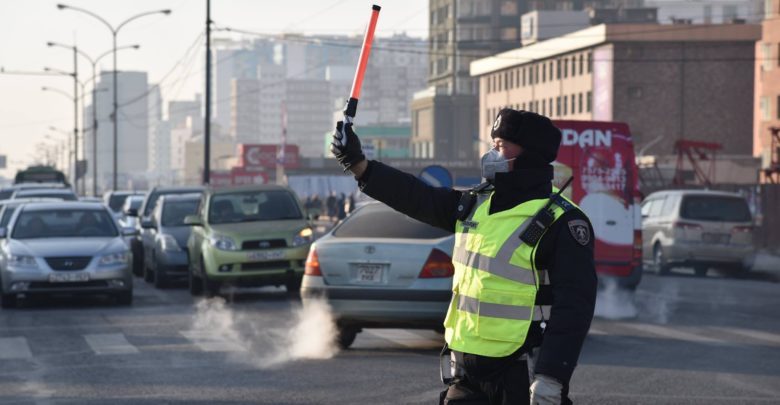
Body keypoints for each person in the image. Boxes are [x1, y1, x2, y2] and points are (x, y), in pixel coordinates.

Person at [331, 108, 597, 405]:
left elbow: (574, 309)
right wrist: (360, 165)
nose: (492, 154)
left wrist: (551, 378)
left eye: (501, 146)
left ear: (531, 155)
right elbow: (417, 197)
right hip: (466, 373)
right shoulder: (474, 204)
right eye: (492, 144)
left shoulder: (562, 222)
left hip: (520, 374)